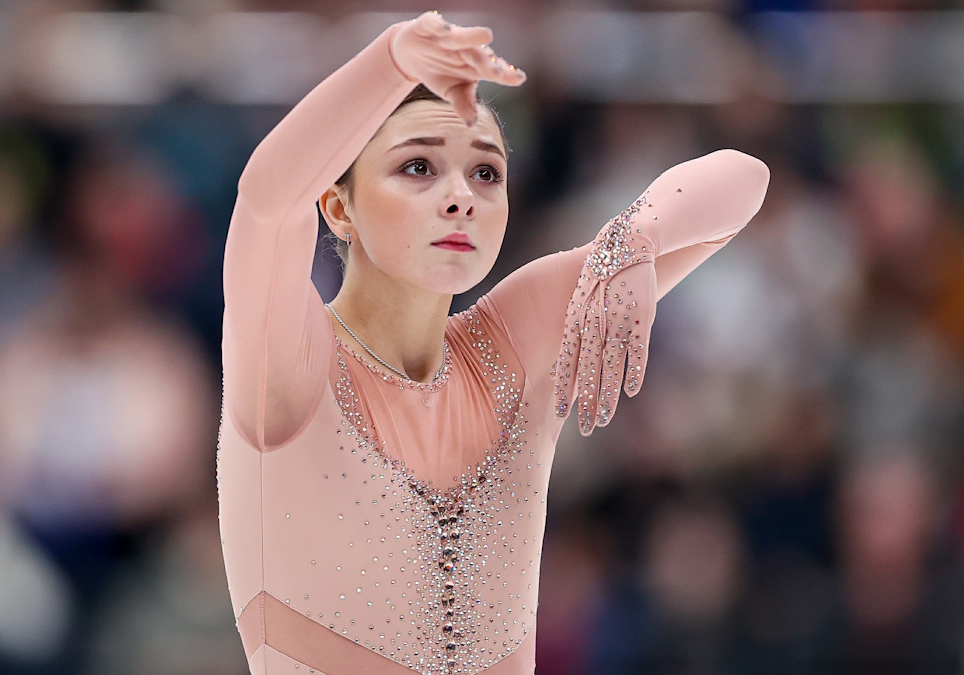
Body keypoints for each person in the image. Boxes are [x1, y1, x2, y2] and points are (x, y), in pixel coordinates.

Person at [216, 10, 770, 674]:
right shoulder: (293, 362)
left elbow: (744, 180)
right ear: (338, 207)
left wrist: (634, 240)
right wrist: (390, 60)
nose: (461, 198)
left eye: (486, 173)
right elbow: (267, 203)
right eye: (418, 166)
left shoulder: (512, 343)